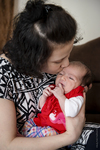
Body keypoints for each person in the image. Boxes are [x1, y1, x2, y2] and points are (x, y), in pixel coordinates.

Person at [0, 0, 99, 150]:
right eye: (59, 60)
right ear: (33, 58)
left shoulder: (57, 68)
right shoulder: (3, 76)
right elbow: (7, 144)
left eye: (69, 54)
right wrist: (69, 136)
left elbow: (76, 104)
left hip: (57, 128)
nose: (66, 65)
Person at [22, 61, 92, 137]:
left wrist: (60, 96)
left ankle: (30, 139)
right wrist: (44, 96)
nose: (62, 77)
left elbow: (71, 112)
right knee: (27, 123)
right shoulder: (54, 89)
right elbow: (42, 108)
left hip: (58, 132)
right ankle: (26, 137)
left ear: (81, 86)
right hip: (42, 123)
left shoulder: (76, 96)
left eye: (71, 78)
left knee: (48, 133)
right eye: (61, 74)